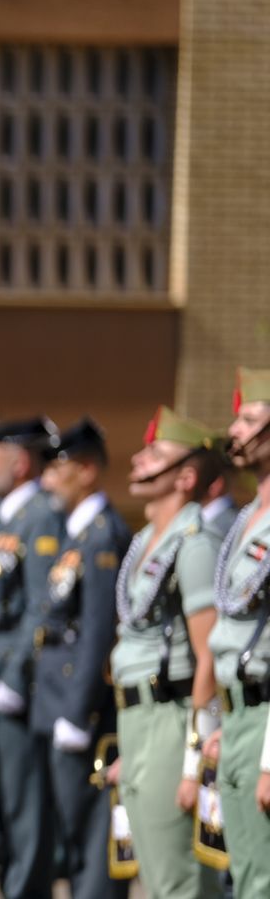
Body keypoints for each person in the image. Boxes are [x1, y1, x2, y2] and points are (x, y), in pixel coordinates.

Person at [108, 406, 226, 899]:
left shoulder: (195, 545)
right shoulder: (146, 541)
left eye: (155, 454)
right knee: (155, 879)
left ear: (186, 477)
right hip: (138, 720)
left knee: (179, 882)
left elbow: (209, 656)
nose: (138, 459)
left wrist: (192, 763)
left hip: (172, 721)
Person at [0, 418, 62, 899]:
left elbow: (42, 605)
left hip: (9, 677)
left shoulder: (39, 516)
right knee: (0, 801)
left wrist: (17, 674)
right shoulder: (6, 516)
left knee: (24, 804)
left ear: (20, 463)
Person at [31, 418, 131, 899]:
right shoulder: (78, 533)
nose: (47, 478)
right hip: (59, 699)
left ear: (87, 470)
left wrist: (77, 711)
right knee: (74, 833)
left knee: (93, 835)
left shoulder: (102, 536)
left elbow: (97, 631)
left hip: (82, 707)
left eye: (58, 467)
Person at [205, 366, 270, 897]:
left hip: (266, 720)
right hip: (240, 714)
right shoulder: (249, 515)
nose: (235, 430)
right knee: (246, 876)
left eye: (250, 419)